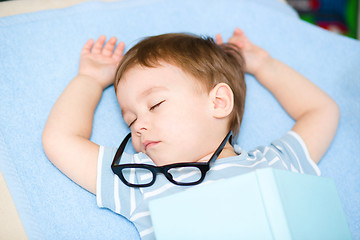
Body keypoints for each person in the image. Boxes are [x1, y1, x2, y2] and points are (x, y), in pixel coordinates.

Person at [42, 28, 340, 239]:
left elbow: (321, 111)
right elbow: (61, 140)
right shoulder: (139, 180)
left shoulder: (277, 162)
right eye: (130, 120)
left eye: (155, 104)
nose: (139, 127)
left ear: (218, 102)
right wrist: (89, 81)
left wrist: (264, 66)